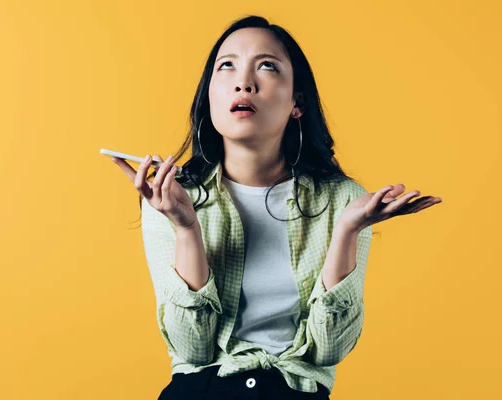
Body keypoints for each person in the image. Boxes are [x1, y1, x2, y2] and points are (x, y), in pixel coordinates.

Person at [111, 15, 442, 400]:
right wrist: (187, 229)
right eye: (227, 65)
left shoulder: (344, 200)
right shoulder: (169, 198)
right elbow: (192, 350)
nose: (244, 82)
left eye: (266, 66)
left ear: (296, 102)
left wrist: (348, 231)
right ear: (211, 95)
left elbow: (329, 350)